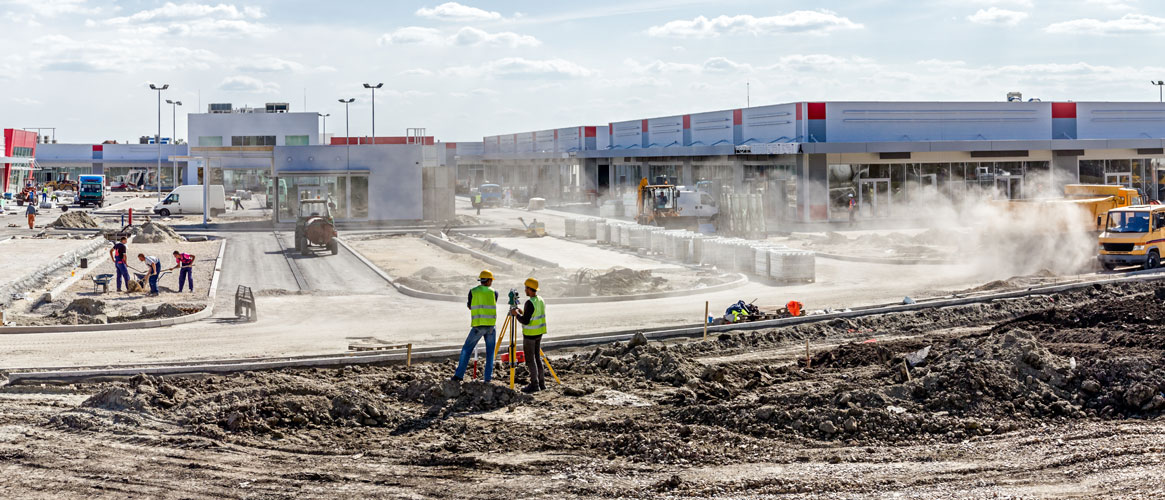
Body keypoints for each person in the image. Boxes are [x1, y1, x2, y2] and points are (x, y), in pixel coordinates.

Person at [452, 270, 498, 383]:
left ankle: (459, 376)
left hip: (478, 326)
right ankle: (488, 378)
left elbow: (470, 306)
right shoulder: (494, 292)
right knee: (490, 352)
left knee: (466, 350)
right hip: (491, 326)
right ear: (489, 281)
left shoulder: (473, 291)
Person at [511, 277, 546, 393]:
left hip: (530, 335)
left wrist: (516, 315)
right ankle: (542, 384)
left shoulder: (529, 302)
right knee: (537, 358)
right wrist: (522, 312)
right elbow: (532, 314)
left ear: (530, 289)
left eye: (526, 288)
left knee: (531, 360)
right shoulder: (540, 299)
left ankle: (534, 385)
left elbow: (525, 321)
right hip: (539, 333)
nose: (525, 290)